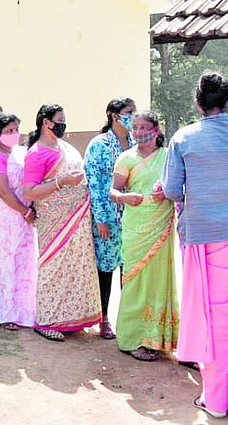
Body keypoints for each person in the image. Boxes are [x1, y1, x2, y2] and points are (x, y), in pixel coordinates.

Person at [162, 73, 228, 418]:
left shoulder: (184, 138)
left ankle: (216, 398)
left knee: (211, 315)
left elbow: (173, 190)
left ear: (197, 103)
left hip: (205, 234)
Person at [22, 104, 101, 342]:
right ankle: (46, 320)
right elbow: (30, 193)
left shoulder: (63, 147)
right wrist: (61, 182)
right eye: (60, 120)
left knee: (75, 268)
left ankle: (71, 317)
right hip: (55, 223)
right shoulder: (37, 153)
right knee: (53, 268)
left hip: (78, 220)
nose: (64, 124)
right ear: (46, 122)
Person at [109, 111, 178, 361]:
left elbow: (180, 187)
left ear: (156, 130)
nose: (138, 132)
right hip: (136, 226)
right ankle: (131, 339)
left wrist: (167, 192)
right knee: (134, 281)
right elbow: (113, 191)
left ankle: (157, 338)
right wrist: (125, 197)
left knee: (159, 281)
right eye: (135, 127)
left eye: (143, 127)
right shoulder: (126, 158)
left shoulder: (169, 156)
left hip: (161, 225)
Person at [83, 97, 136, 340]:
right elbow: (93, 184)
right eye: (129, 112)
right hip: (107, 217)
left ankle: (127, 319)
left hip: (133, 217)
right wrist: (101, 219)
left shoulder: (136, 142)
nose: (133, 116)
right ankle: (103, 319)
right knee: (106, 269)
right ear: (115, 116)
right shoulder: (99, 145)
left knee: (130, 269)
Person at [0, 112, 37, 329]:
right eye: (9, 131)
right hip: (2, 216)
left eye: (16, 130)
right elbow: (4, 192)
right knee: (3, 262)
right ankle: (3, 312)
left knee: (23, 260)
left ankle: (23, 309)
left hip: (22, 216)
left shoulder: (20, 152)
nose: (14, 135)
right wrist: (25, 211)